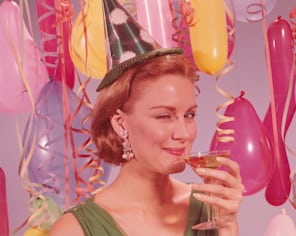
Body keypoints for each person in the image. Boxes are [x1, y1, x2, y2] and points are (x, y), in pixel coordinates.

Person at [49, 48, 244, 236]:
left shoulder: (210, 208)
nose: (183, 133)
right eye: (164, 116)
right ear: (120, 123)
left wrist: (227, 228)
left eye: (189, 114)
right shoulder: (74, 230)